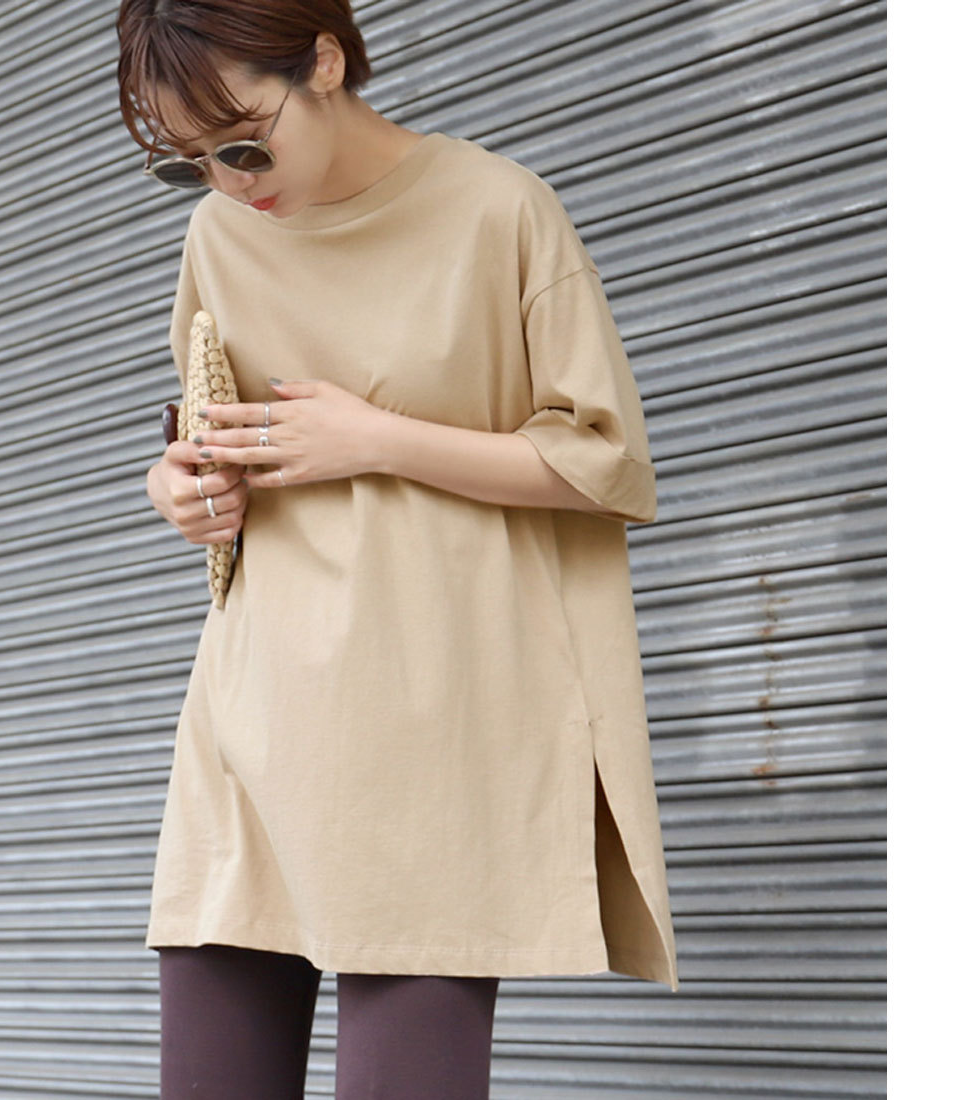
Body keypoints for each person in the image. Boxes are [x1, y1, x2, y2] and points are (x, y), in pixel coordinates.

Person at [115, 2, 679, 1097]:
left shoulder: (497, 209)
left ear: (325, 62)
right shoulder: (219, 237)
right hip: (253, 711)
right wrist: (175, 488)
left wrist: (376, 440)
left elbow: (605, 462)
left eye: (244, 144)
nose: (229, 182)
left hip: (438, 724)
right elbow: (204, 434)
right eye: (190, 164)